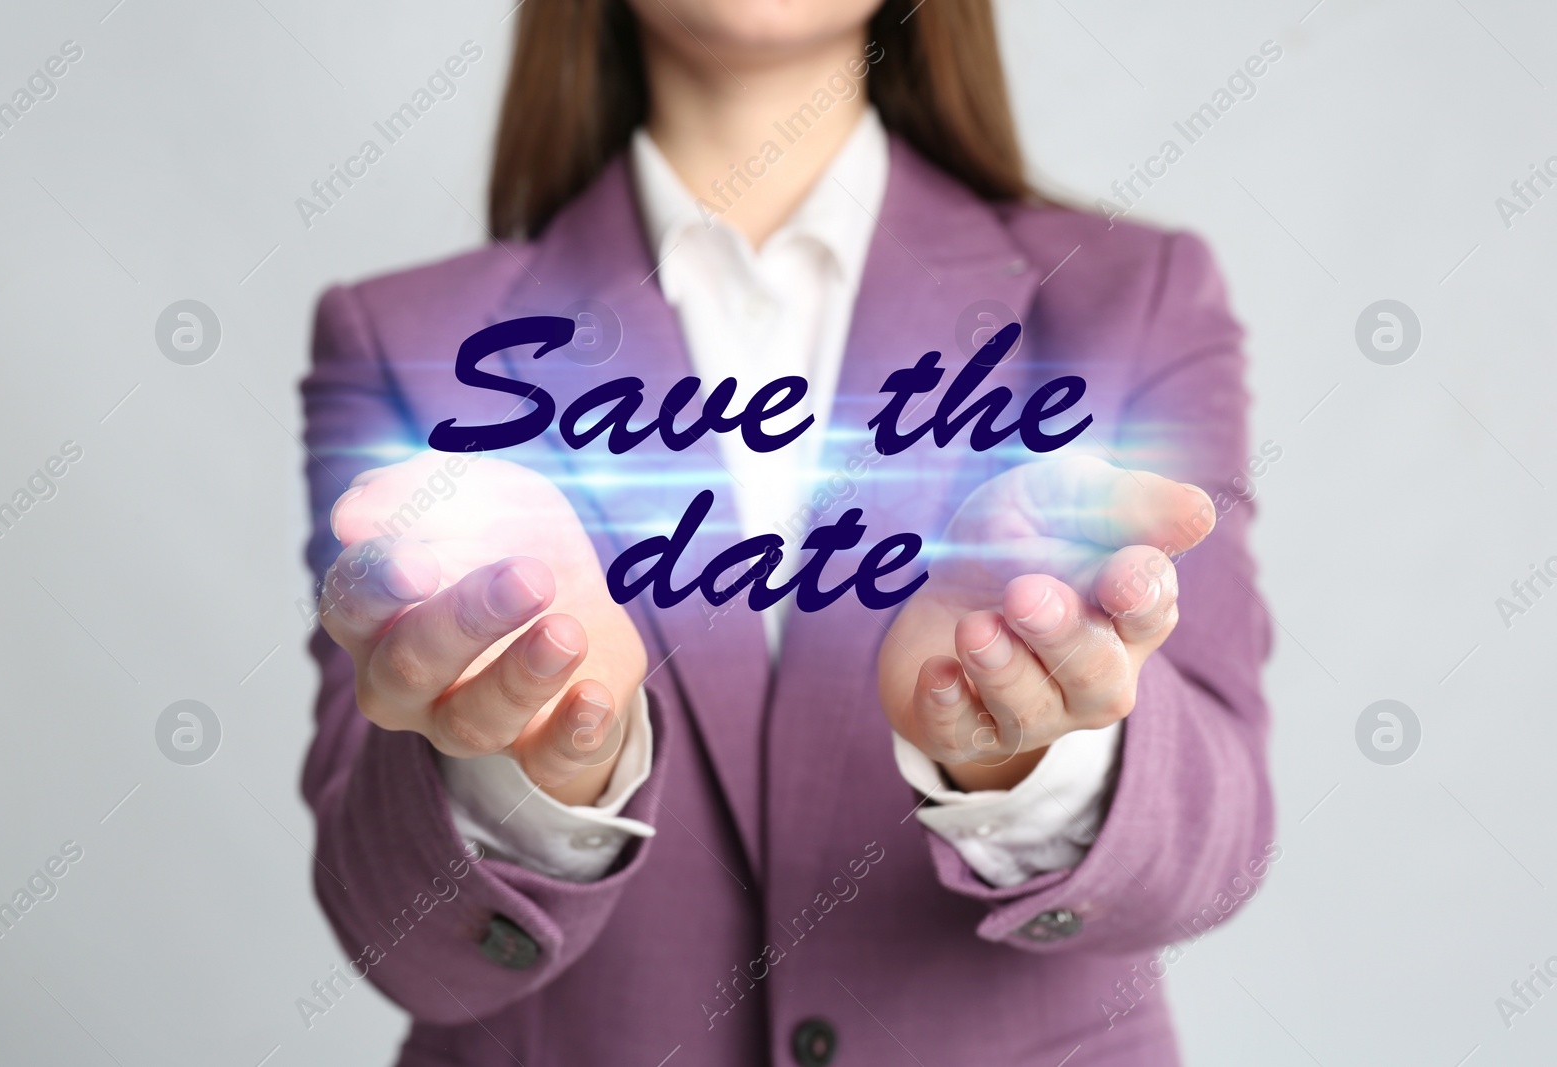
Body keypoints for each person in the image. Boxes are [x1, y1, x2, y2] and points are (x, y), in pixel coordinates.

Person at [299, 1, 1274, 1063]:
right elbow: (402, 940)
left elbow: (1214, 852)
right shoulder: (410, 344)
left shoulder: (1132, 298)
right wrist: (538, 757)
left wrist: (1030, 745)